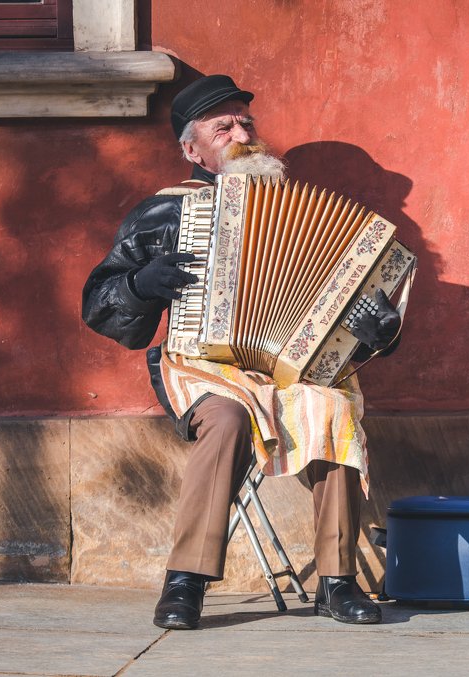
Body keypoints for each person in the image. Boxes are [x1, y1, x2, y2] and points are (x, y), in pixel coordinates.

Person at [81, 74, 401, 630]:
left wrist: (382, 331)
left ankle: (337, 582)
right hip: (202, 368)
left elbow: (360, 322)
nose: (240, 132)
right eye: (221, 126)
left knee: (332, 407)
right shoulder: (164, 213)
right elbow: (101, 307)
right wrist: (141, 285)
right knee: (227, 418)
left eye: (246, 122)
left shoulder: (305, 215)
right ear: (192, 150)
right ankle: (186, 581)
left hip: (290, 371)